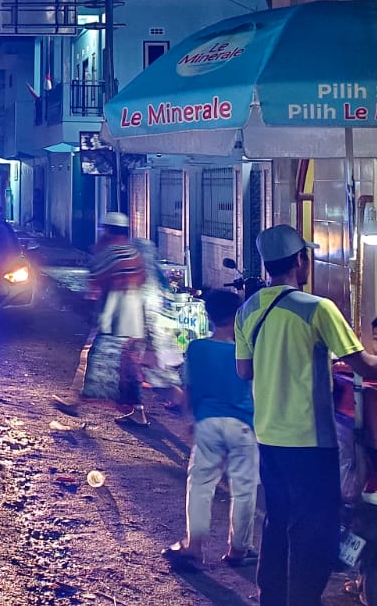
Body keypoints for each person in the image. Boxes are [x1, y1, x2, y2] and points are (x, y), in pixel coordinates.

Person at [235, 224, 377, 606]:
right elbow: (365, 364)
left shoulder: (249, 309)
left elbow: (244, 371)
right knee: (312, 535)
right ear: (300, 261)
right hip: (309, 440)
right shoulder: (318, 308)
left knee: (278, 524)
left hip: (268, 435)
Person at [162, 288, 256, 570]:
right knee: (244, 489)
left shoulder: (196, 348)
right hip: (243, 425)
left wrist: (189, 419)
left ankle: (194, 546)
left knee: (200, 485)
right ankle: (238, 549)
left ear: (209, 315)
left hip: (207, 424)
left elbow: (189, 390)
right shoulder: (247, 353)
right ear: (238, 316)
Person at [52, 212, 152, 425]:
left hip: (114, 320)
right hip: (134, 320)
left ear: (108, 230)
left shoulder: (109, 253)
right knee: (130, 366)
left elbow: (95, 284)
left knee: (91, 358)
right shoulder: (134, 253)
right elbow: (142, 281)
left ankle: (75, 402)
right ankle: (138, 412)